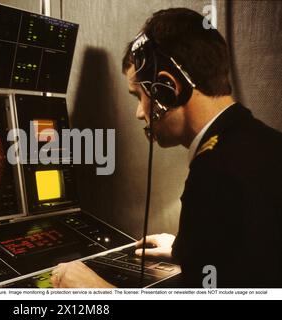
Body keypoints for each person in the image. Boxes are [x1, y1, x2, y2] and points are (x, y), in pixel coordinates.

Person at [51, 8, 282, 288]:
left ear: (166, 89)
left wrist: (97, 291)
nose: (139, 113)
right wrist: (186, 247)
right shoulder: (263, 141)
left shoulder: (214, 173)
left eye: (139, 96)